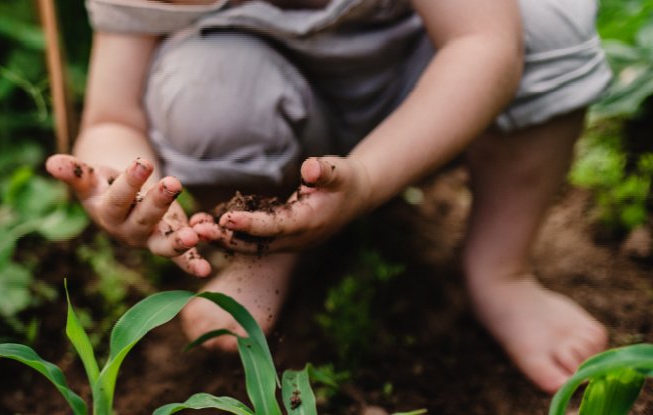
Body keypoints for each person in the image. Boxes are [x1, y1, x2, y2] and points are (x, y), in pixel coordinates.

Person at [45, 0, 611, 394]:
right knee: (203, 83)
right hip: (278, 111)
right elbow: (112, 116)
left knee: (539, 20)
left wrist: (366, 178)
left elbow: (484, 44)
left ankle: (499, 269)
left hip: (437, 100)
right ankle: (265, 245)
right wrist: (116, 178)